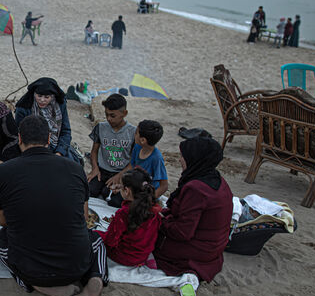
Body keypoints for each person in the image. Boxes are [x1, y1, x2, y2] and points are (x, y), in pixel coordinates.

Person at [0, 115, 107, 296]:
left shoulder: (2, 172)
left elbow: (1, 220)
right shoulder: (75, 168)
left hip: (32, 270)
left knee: (1, 241)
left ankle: (35, 285)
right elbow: (83, 215)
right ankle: (95, 279)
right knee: (96, 239)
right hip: (75, 267)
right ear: (48, 140)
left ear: (19, 139)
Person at [154, 136, 233, 283]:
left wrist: (159, 220)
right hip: (214, 247)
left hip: (200, 250)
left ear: (195, 159)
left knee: (144, 237)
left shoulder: (196, 190)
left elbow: (182, 232)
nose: (180, 160)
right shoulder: (217, 179)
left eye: (183, 157)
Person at [95, 167, 161, 267]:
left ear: (126, 191)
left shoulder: (123, 213)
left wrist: (98, 233)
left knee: (94, 235)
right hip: (143, 255)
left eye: (121, 187)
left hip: (125, 257)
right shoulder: (154, 210)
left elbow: (110, 241)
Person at [87, 94, 136, 206]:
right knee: (89, 190)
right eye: (106, 115)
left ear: (124, 113)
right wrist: (95, 168)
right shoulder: (100, 127)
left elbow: (134, 160)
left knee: (113, 199)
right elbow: (94, 151)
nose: (109, 119)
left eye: (112, 116)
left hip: (121, 172)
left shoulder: (133, 132)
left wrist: (120, 175)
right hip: (102, 171)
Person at [14, 78, 78, 162]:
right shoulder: (23, 108)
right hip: (31, 149)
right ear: (34, 94)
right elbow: (19, 134)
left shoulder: (60, 105)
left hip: (57, 148)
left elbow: (65, 131)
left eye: (46, 97)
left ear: (52, 96)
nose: (42, 100)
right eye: (39, 96)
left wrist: (59, 153)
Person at [108, 120, 168, 199]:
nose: (134, 134)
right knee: (108, 192)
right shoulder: (137, 147)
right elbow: (132, 165)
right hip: (135, 187)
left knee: (116, 202)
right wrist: (119, 177)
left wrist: (149, 200)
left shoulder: (157, 158)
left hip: (145, 193)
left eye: (136, 133)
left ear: (143, 140)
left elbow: (164, 186)